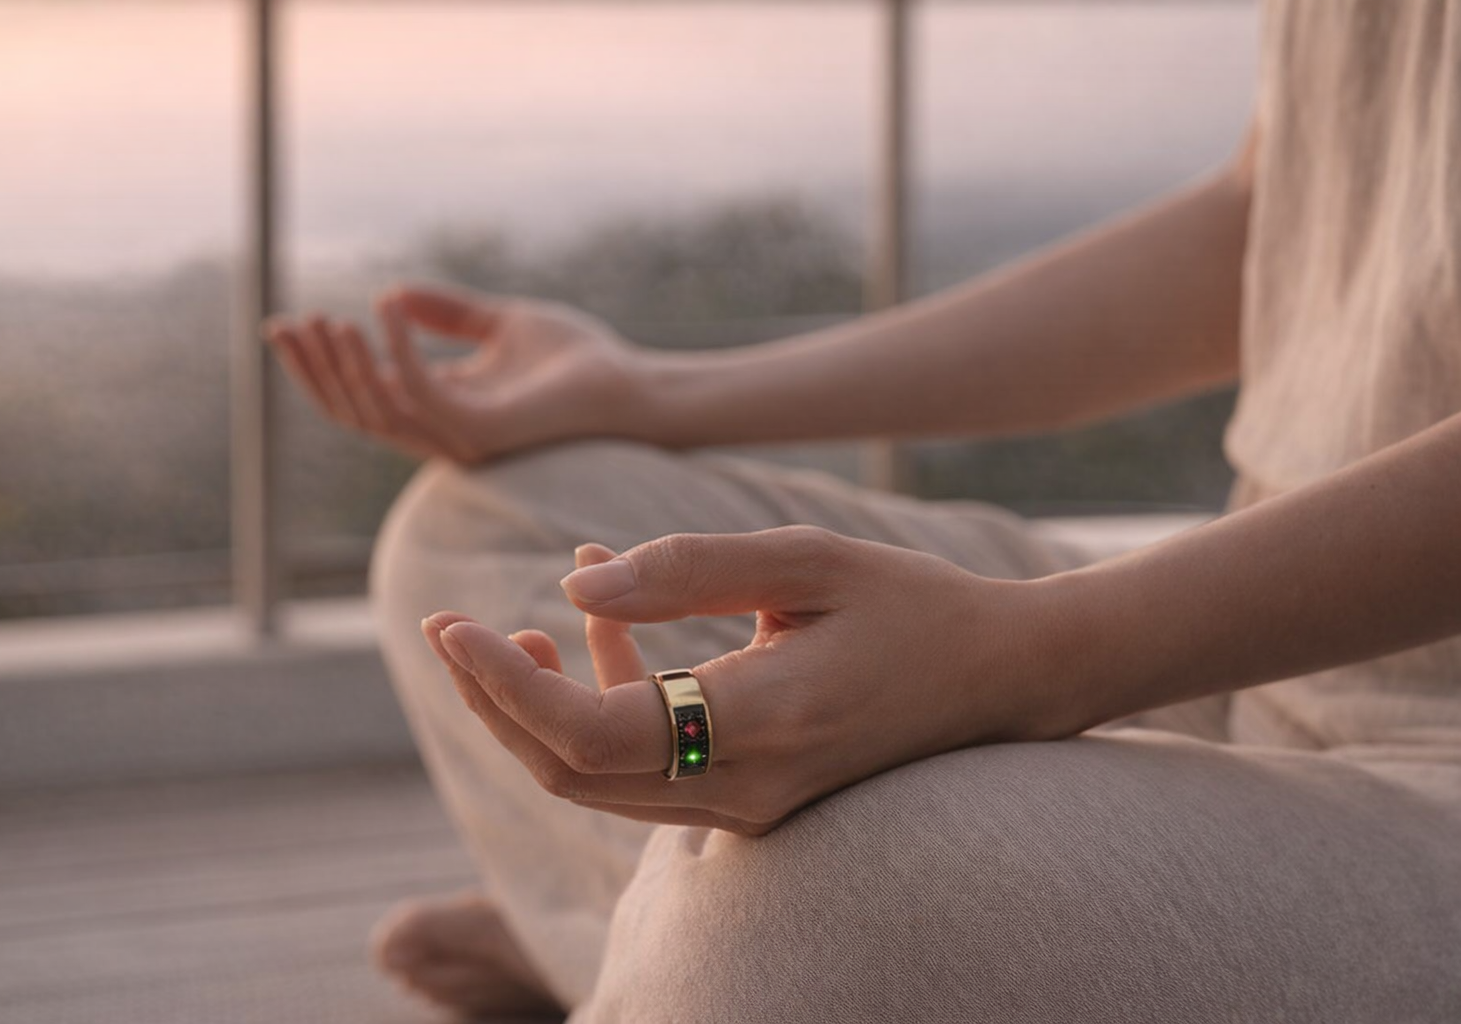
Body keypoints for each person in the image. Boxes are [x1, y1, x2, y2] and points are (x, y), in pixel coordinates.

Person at [263, 1, 1461, 1019]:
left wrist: (1029, 658)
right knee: (485, 522)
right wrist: (650, 391)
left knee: (824, 902)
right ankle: (650, 936)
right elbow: (1273, 216)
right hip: (1237, 624)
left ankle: (624, 929)